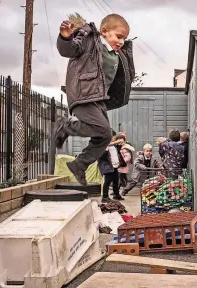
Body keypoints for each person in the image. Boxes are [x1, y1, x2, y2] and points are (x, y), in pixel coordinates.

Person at [54, 13, 135, 186]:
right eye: (118, 36)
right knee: (103, 129)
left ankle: (79, 164)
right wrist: (65, 38)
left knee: (105, 137)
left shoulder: (116, 54)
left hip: (98, 98)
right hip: (83, 94)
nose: (121, 41)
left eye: (124, 38)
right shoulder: (90, 40)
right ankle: (65, 127)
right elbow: (69, 50)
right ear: (104, 31)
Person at [98, 133, 126, 202]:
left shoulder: (114, 145)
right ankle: (105, 197)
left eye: (114, 137)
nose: (114, 139)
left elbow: (117, 152)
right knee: (107, 182)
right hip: (108, 167)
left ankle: (116, 195)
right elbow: (100, 156)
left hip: (115, 167)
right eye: (113, 137)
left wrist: (120, 144)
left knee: (116, 181)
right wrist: (107, 147)